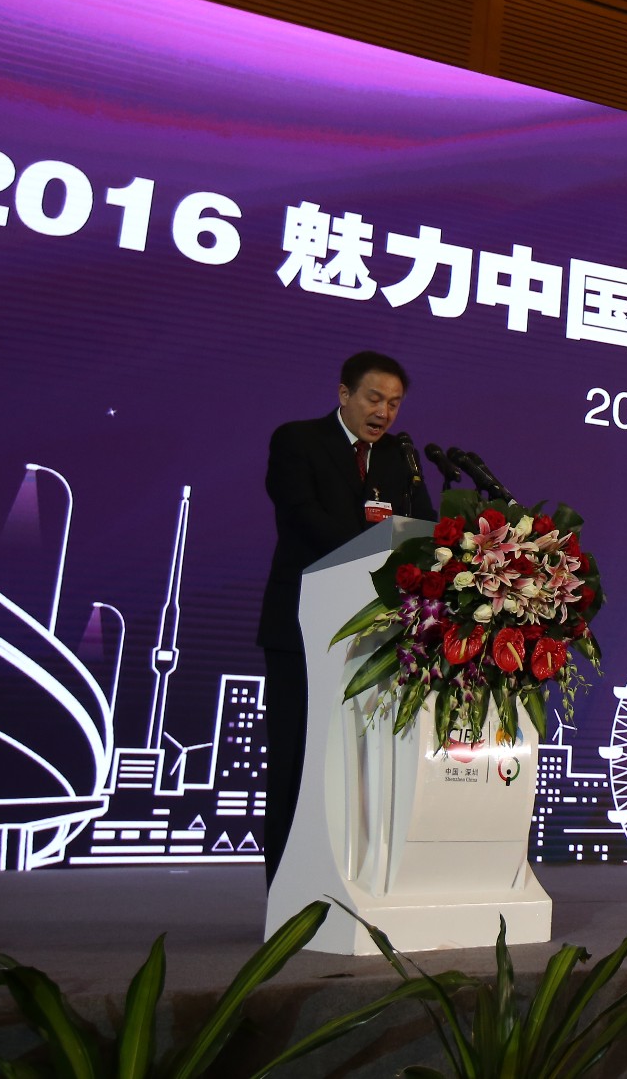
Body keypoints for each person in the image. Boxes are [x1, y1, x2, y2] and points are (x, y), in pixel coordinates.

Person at [257, 350, 434, 882]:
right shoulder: (298, 440)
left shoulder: (399, 458)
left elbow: (423, 529)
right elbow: (300, 516)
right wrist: (377, 556)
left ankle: (357, 880)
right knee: (297, 759)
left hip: (377, 635)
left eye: (394, 404)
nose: (384, 412)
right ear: (344, 394)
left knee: (361, 765)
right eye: (374, 399)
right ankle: (287, 889)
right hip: (303, 627)